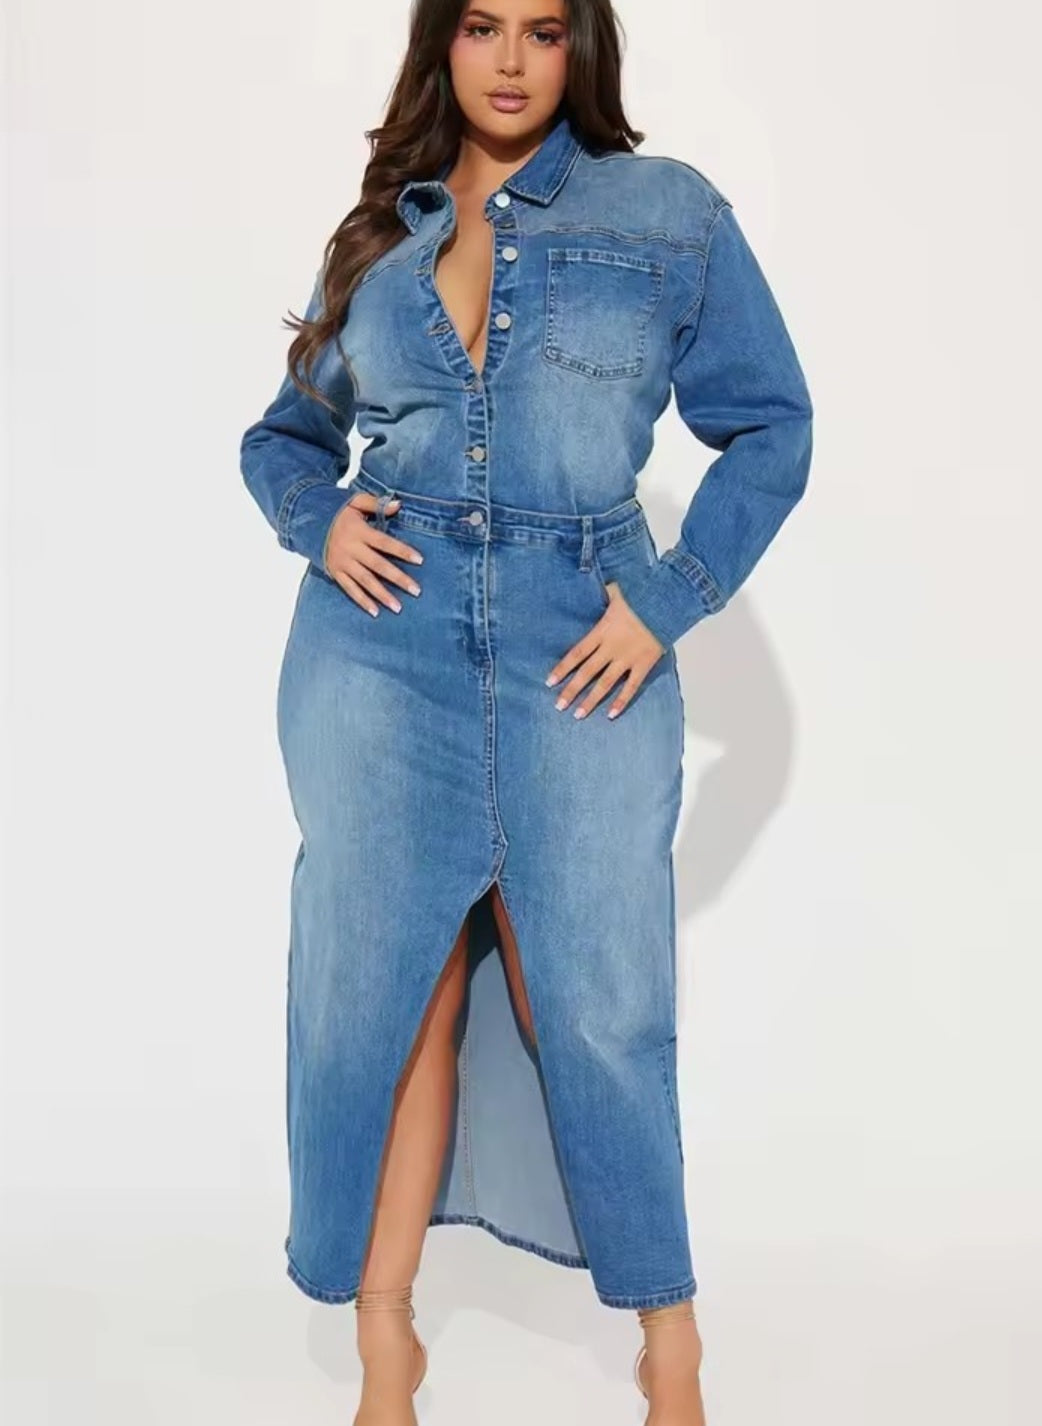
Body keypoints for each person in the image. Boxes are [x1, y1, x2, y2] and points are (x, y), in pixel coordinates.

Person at [238, 1, 813, 1421]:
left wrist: (665, 597)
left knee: (599, 1003)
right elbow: (282, 435)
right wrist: (318, 521)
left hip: (581, 652)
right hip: (380, 655)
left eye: (543, 29)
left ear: (581, 51)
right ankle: (386, 1345)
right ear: (442, 48)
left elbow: (773, 422)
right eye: (481, 26)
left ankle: (669, 1348)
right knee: (384, 997)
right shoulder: (380, 232)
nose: (509, 58)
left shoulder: (668, 214)